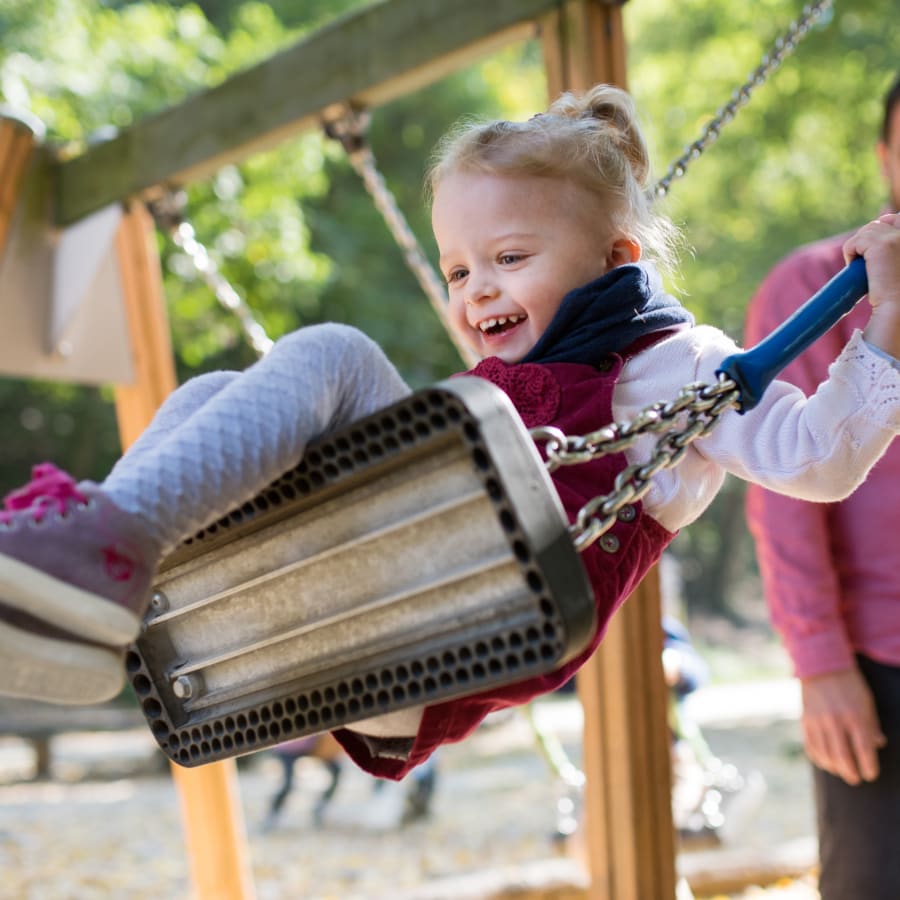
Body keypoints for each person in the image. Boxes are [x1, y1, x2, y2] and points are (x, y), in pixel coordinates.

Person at [2, 84, 899, 784]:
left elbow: (818, 459)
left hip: (465, 630)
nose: (475, 291)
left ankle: (103, 550)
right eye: (459, 268)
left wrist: (889, 320)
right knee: (209, 391)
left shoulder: (679, 362)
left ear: (617, 258)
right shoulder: (504, 380)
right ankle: (101, 590)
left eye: (510, 259)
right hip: (375, 631)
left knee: (339, 354)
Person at [744, 73, 900, 900]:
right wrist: (820, 663)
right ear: (886, 154)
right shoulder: (810, 287)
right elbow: (783, 491)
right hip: (877, 660)